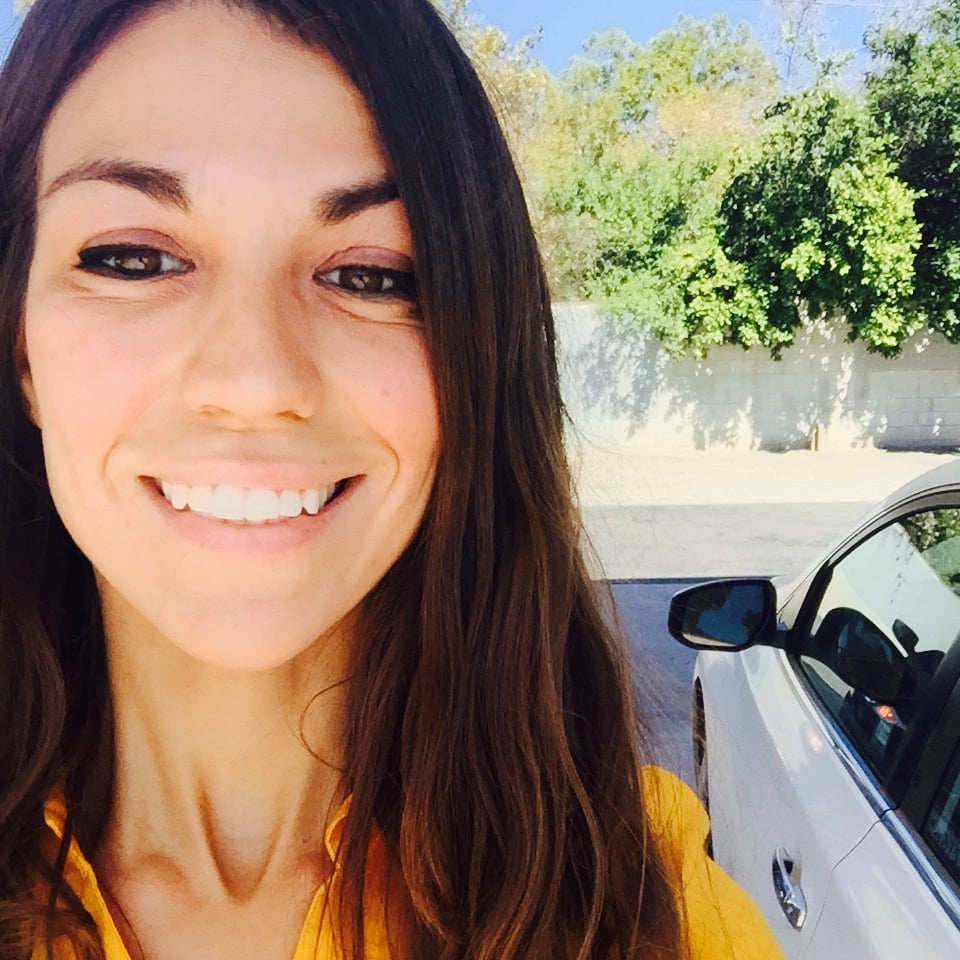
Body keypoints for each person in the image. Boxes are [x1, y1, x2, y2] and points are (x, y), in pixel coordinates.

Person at [0, 1, 786, 958]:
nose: (256, 381)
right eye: (132, 259)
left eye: (371, 275)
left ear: (472, 358)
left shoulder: (651, 911)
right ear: (22, 350)